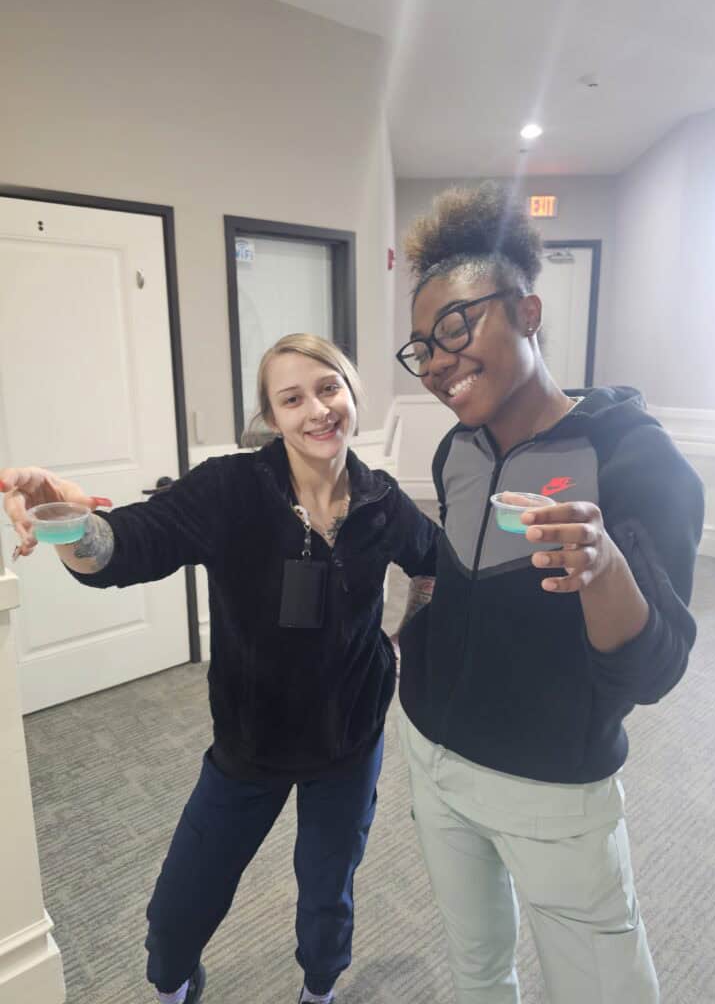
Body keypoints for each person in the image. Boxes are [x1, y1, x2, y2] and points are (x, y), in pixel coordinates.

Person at [1, 333, 438, 1004]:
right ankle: (175, 988)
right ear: (272, 416)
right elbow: (126, 549)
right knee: (178, 911)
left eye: (328, 389)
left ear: (352, 394)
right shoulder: (233, 488)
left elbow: (431, 560)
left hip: (349, 740)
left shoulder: (381, 501)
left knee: (328, 899)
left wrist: (402, 641)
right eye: (292, 399)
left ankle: (319, 991)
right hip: (250, 743)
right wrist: (63, 520)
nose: (317, 410)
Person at [393, 182, 704, 1004]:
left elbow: (657, 672)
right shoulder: (456, 451)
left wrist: (603, 568)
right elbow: (443, 565)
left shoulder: (638, 462)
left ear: (528, 313)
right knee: (478, 970)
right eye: (423, 346)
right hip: (434, 759)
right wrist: (417, 633)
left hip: (553, 787)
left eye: (457, 326)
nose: (438, 361)